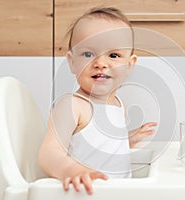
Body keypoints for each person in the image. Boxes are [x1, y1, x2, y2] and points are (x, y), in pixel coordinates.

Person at [38, 7, 157, 195]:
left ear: (129, 65)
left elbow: (100, 145)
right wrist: (72, 170)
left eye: (113, 55)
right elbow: (49, 153)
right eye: (88, 54)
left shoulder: (119, 105)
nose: (101, 63)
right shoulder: (72, 105)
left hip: (118, 192)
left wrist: (127, 140)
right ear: (72, 62)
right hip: (85, 193)